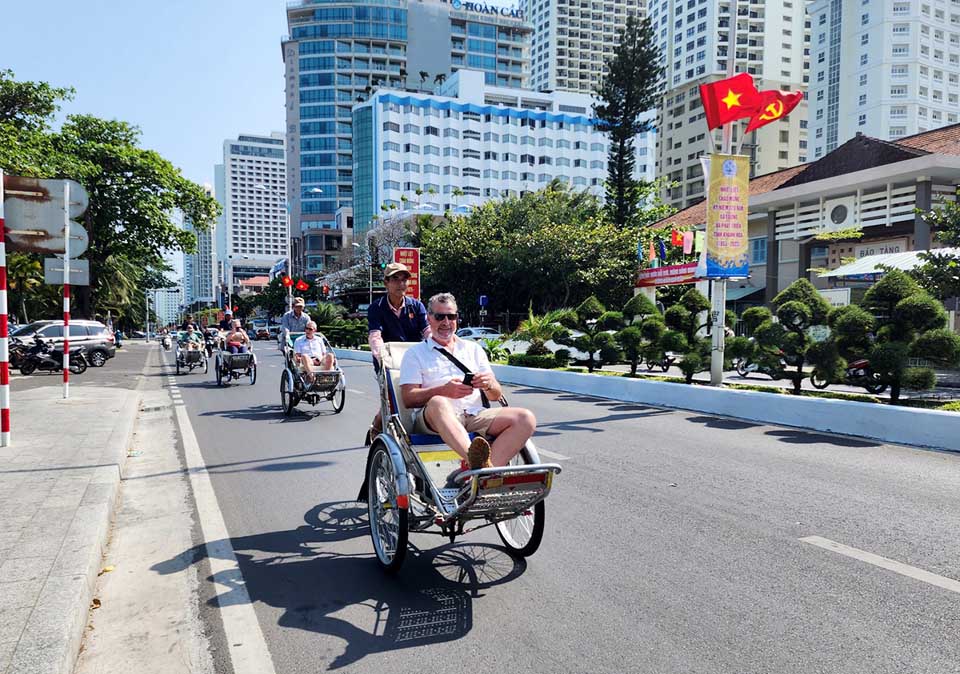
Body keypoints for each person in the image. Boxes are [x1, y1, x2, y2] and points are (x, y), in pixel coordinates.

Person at [399, 292, 536, 469]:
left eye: (451, 316)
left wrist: (488, 384)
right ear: (429, 319)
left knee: (525, 418)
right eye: (440, 316)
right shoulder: (415, 354)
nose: (446, 322)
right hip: (436, 419)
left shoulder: (473, 349)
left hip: (474, 414)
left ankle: (483, 473)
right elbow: (408, 398)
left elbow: (495, 395)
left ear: (457, 318)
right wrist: (442, 390)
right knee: (439, 402)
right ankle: (477, 463)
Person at [365, 261, 431, 443]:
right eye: (396, 279)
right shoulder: (376, 308)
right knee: (392, 398)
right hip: (389, 360)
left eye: (404, 280)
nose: (401, 284)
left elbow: (427, 332)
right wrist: (381, 357)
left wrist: (438, 346)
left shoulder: (416, 306)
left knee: (422, 393)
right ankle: (378, 426)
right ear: (386, 283)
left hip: (415, 360)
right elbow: (375, 336)